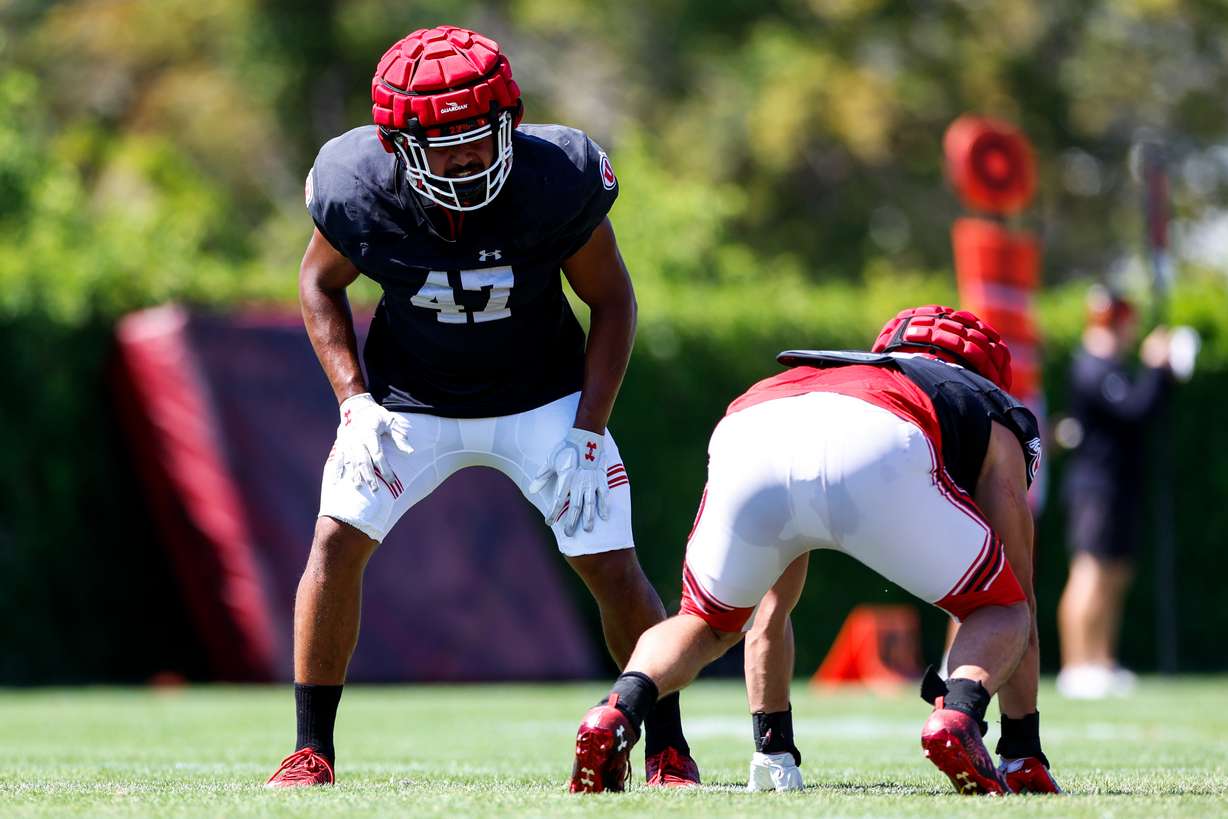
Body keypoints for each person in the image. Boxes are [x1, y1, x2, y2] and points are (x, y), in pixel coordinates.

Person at [265, 25, 697, 787]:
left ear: (511, 121)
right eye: (443, 144)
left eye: (479, 134)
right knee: (335, 541)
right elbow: (318, 282)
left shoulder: (555, 178)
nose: (466, 156)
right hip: (407, 403)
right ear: (397, 147)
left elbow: (613, 301)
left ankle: (667, 745)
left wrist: (590, 431)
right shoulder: (356, 184)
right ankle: (310, 748)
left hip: (546, 398)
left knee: (610, 562)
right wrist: (353, 401)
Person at [568, 306, 1061, 795]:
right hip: (884, 432)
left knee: (704, 622)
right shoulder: (988, 405)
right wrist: (1023, 750)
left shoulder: (840, 369)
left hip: (754, 421)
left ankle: (615, 711)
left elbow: (771, 612)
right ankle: (959, 719)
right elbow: (1018, 593)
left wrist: (773, 751)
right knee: (1003, 605)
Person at [1056, 287, 1174, 699]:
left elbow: (1147, 412)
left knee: (1116, 574)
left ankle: (1101, 662)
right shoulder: (1094, 365)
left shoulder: (1113, 366)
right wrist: (1156, 369)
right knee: (1090, 570)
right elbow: (1132, 410)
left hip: (1120, 484)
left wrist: (1161, 375)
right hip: (1097, 486)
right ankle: (1077, 665)